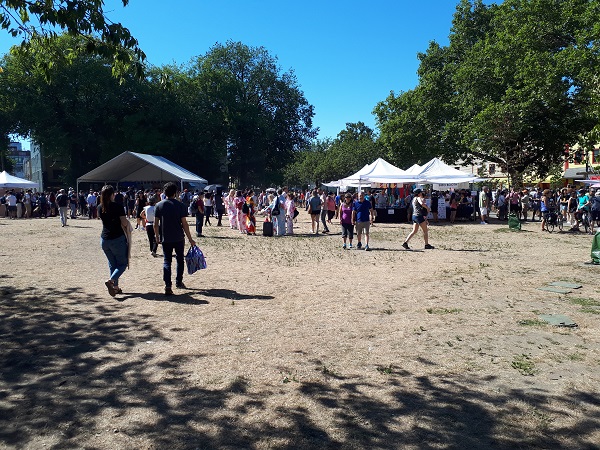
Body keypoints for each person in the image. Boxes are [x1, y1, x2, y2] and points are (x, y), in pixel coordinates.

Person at [153, 182, 196, 296]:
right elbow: (184, 224)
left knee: (167, 261)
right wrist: (190, 239)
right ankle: (179, 281)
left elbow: (155, 224)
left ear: (164, 193)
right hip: (178, 237)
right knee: (179, 259)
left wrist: (157, 237)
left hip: (165, 238)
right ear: (176, 193)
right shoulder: (181, 206)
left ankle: (168, 285)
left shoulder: (159, 205)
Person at [99, 184, 130, 297]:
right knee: (123, 264)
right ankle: (111, 281)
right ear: (112, 194)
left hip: (104, 239)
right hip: (117, 239)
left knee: (112, 264)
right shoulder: (118, 207)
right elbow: (124, 222)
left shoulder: (100, 207)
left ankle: (115, 288)